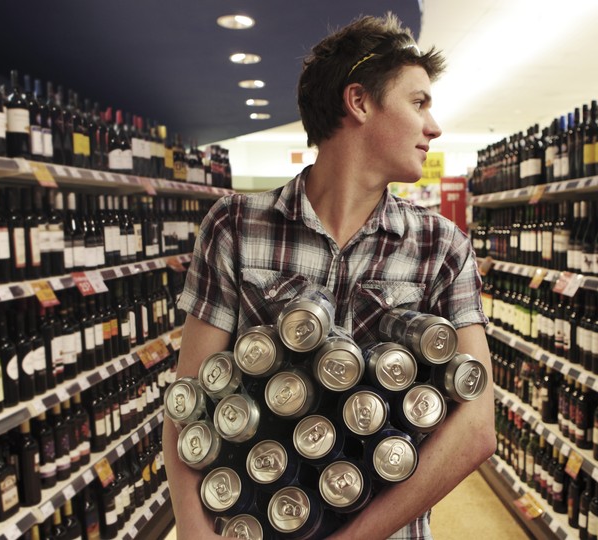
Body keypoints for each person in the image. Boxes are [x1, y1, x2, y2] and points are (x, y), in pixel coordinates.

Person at [164, 13, 495, 539]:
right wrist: (194, 532)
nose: (434, 127)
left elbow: (476, 430)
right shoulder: (233, 227)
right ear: (359, 101)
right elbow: (188, 401)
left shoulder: (441, 246)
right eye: (419, 102)